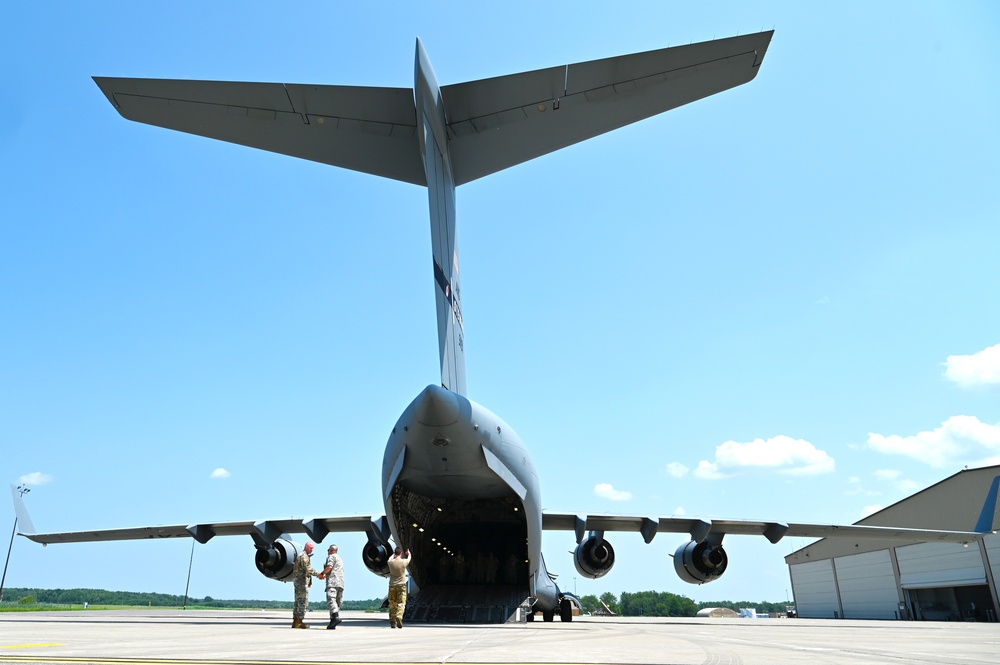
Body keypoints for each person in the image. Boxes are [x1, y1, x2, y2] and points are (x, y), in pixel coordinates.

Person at [291, 542, 319, 628]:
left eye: (312, 548)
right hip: (301, 583)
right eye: (310, 548)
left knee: (297, 602)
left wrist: (310, 581)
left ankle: (296, 621)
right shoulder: (304, 556)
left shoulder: (301, 555)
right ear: (306, 547)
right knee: (303, 602)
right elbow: (308, 569)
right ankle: (299, 621)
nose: (312, 550)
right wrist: (318, 574)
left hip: (299, 582)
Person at [318, 543, 345, 629]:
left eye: (328, 550)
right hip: (340, 583)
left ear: (331, 551)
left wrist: (322, 573)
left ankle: (335, 617)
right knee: (337, 602)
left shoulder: (331, 557)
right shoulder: (340, 559)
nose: (327, 551)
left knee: (331, 600)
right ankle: (332, 621)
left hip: (333, 582)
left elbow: (329, 567)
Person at [386, 546, 411, 628]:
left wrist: (393, 555)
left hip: (392, 585)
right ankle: (399, 616)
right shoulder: (403, 562)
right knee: (401, 603)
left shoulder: (390, 562)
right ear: (401, 553)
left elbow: (390, 558)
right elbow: (409, 559)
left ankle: (393, 622)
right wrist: (409, 554)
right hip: (402, 585)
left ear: (394, 553)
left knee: (392, 604)